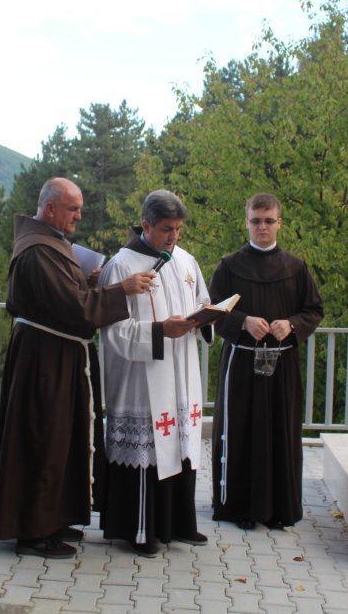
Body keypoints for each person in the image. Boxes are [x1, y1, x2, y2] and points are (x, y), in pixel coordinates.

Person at [0, 177, 152, 559]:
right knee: (44, 440)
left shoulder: (50, 242)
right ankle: (32, 531)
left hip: (57, 355)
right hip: (44, 359)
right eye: (72, 209)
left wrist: (85, 279)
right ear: (50, 207)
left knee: (63, 440)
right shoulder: (39, 251)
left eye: (79, 209)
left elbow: (68, 292)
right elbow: (74, 307)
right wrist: (121, 290)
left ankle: (54, 518)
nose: (78, 216)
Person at [99, 190, 212, 557]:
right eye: (166, 229)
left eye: (178, 229)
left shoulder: (186, 260)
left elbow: (202, 303)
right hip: (142, 378)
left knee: (181, 443)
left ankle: (179, 523)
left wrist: (207, 317)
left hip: (182, 371)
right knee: (150, 448)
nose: (173, 237)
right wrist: (161, 330)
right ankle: (141, 529)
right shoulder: (122, 264)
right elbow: (113, 330)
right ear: (146, 225)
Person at [208, 193, 324, 531]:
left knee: (281, 432)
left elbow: (314, 310)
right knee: (241, 431)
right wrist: (243, 321)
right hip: (242, 364)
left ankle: (278, 509)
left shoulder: (296, 267)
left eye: (269, 220)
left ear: (279, 223)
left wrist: (292, 325)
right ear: (246, 221)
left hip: (281, 365)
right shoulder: (230, 265)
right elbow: (213, 309)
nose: (262, 226)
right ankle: (238, 507)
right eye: (256, 220)